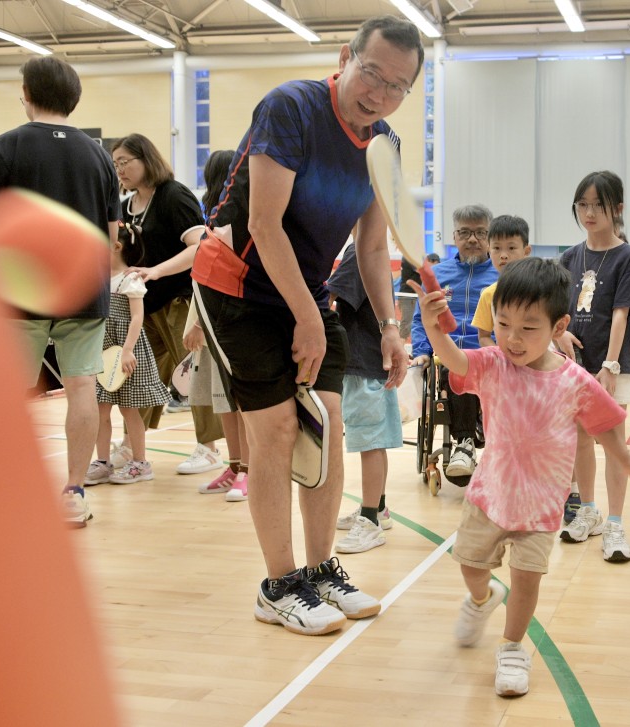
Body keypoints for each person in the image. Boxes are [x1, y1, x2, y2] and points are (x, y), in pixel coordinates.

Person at [190, 15, 422, 635]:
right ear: (347, 57)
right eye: (372, 73)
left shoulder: (383, 146)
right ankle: (278, 584)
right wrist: (307, 319)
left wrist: (391, 327)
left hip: (305, 290)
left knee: (328, 424)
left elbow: (373, 250)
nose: (379, 93)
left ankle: (322, 570)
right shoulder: (289, 107)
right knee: (276, 429)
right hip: (236, 286)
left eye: (397, 86)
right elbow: (265, 227)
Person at [411, 257, 630, 697]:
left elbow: (606, 424)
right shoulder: (492, 363)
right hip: (489, 496)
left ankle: (512, 648)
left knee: (526, 581)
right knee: (470, 566)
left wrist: (625, 460)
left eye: (528, 327)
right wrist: (434, 328)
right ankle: (482, 599)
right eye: (504, 323)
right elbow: (453, 357)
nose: (512, 338)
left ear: (558, 325)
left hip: (541, 506)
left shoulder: (574, 381)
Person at [0, 56, 120, 527]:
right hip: (86, 288)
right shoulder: (99, 155)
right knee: (81, 388)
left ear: (27, 95)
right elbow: (112, 235)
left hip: (20, 291)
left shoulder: (4, 147)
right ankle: (73, 493)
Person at [109, 134, 225, 477]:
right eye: (116, 164)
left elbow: (200, 245)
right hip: (143, 305)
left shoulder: (174, 196)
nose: (121, 169)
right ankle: (132, 444)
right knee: (137, 377)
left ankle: (209, 447)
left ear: (147, 159)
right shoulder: (125, 205)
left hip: (180, 300)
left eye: (126, 161)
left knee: (193, 373)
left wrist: (155, 271)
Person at [556, 171, 630, 562]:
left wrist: (609, 365)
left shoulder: (626, 256)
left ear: (618, 209)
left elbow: (621, 315)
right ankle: (588, 511)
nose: (589, 212)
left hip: (612, 364)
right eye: (583, 205)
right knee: (579, 439)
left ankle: (614, 522)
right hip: (574, 365)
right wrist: (558, 336)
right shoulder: (568, 257)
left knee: (612, 442)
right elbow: (555, 311)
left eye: (597, 205)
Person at [411, 205, 499, 477]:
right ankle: (465, 442)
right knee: (453, 368)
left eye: (480, 233)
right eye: (464, 233)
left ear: (489, 236)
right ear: (454, 236)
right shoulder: (437, 275)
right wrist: (422, 351)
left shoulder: (503, 275)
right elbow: (419, 320)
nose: (472, 239)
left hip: (491, 356)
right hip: (448, 355)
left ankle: (479, 428)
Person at [328, 243, 402, 553]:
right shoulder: (369, 250)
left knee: (369, 443)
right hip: (372, 361)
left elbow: (327, 297)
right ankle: (378, 508)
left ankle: (370, 519)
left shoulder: (359, 251)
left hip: (362, 363)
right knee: (375, 441)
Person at [86, 223, 169, 485]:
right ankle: (102, 462)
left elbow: (136, 318)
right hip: (102, 352)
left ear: (116, 246)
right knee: (100, 408)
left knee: (129, 409)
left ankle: (140, 463)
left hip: (125, 352)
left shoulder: (129, 280)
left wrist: (128, 350)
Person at [191, 150, 251, 501]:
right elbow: (203, 274)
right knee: (224, 399)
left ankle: (250, 469)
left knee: (243, 401)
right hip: (212, 317)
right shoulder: (212, 220)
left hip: (239, 320)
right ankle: (235, 464)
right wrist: (196, 320)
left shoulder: (244, 215)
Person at [472, 215, 532, 348]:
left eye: (511, 248)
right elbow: (483, 337)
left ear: (526, 251)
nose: (503, 255)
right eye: (497, 248)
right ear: (489, 250)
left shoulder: (541, 289)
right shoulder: (488, 295)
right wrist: (501, 357)